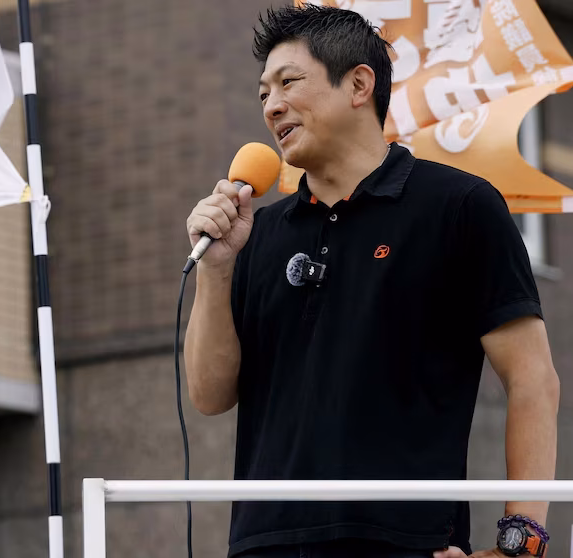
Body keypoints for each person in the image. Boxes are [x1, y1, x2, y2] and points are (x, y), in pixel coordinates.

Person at [184, 5, 559, 558]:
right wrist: (216, 272)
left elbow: (533, 379)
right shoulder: (256, 233)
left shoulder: (460, 206)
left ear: (359, 84)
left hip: (409, 543)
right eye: (263, 92)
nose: (272, 106)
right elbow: (210, 395)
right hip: (265, 544)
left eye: (289, 82)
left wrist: (520, 544)